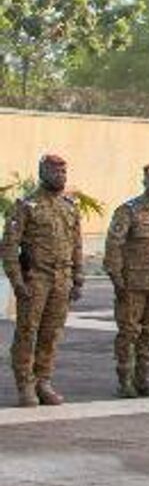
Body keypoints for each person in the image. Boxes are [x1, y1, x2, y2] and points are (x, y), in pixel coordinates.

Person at [5, 153, 84, 407]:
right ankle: (25, 384)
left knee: (51, 333)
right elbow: (9, 246)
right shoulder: (26, 205)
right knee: (28, 332)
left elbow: (76, 244)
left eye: (63, 171)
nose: (61, 176)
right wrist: (17, 280)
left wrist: (78, 277)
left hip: (62, 280)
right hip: (35, 279)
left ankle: (43, 381)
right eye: (55, 171)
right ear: (42, 173)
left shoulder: (69, 206)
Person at [101, 164, 149, 399]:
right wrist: (117, 278)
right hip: (133, 284)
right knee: (129, 333)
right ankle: (125, 380)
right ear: (144, 182)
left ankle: (142, 378)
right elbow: (114, 245)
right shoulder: (129, 211)